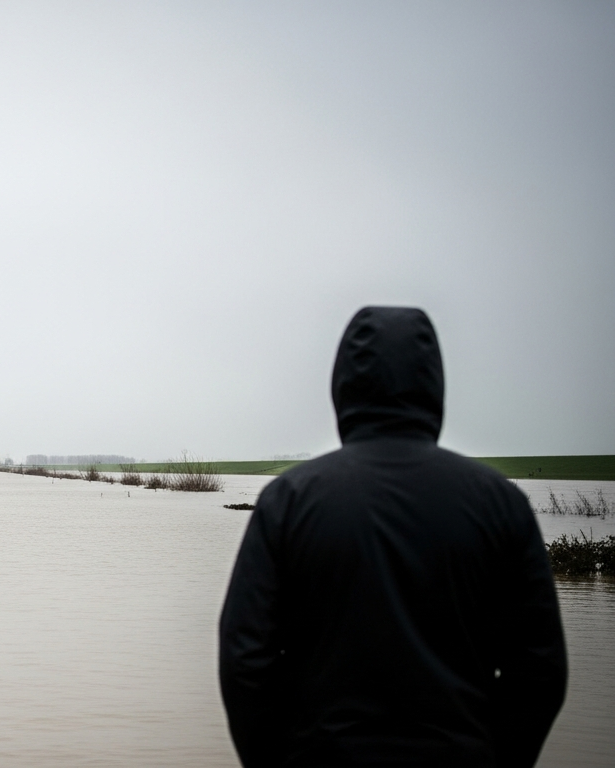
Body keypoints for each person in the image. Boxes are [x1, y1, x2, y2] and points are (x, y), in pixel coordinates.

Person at [218, 306, 567, 767]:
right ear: (433, 384)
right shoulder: (501, 504)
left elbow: (244, 657)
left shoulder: (289, 500)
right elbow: (540, 666)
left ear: (342, 385)